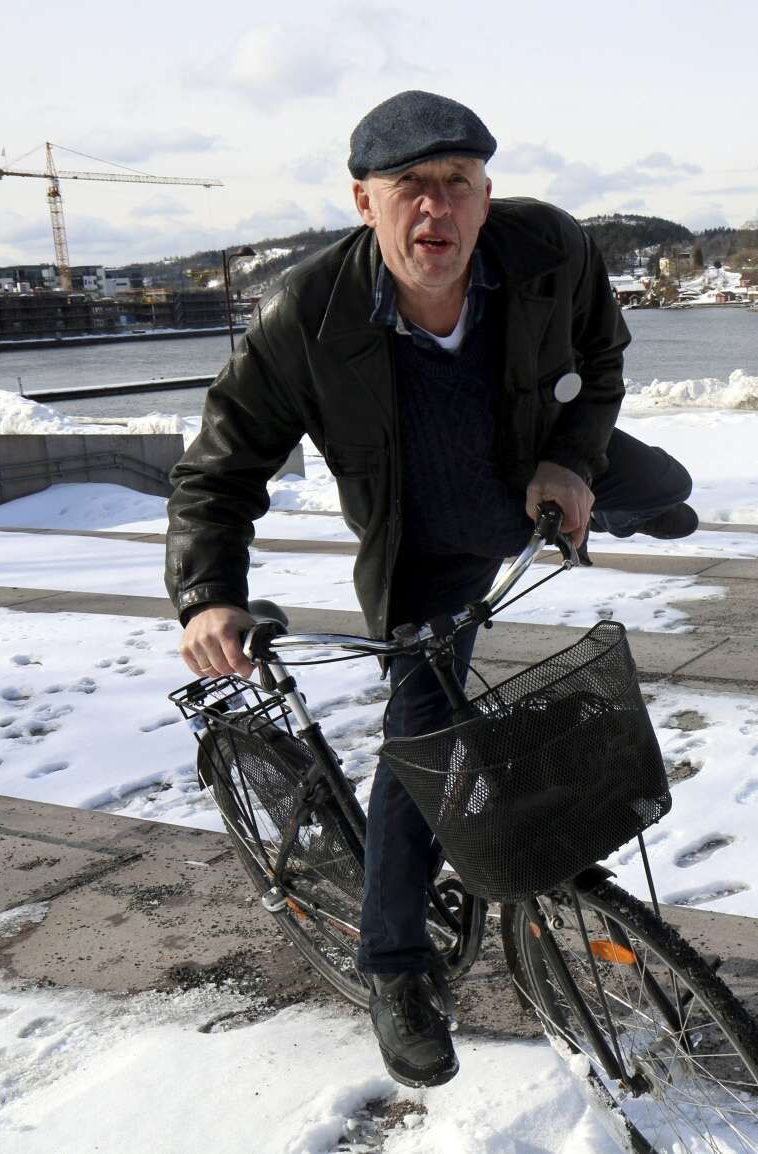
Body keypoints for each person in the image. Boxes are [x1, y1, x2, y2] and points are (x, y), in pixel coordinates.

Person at [165, 90, 697, 1088]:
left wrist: (572, 461)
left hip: (535, 467)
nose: (434, 208)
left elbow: (601, 360)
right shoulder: (303, 319)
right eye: (409, 185)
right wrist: (208, 594)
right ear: (363, 200)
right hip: (432, 546)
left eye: (457, 183)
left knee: (668, 488)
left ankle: (624, 505)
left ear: (486, 196)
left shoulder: (551, 249)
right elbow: (218, 471)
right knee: (423, 750)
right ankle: (397, 969)